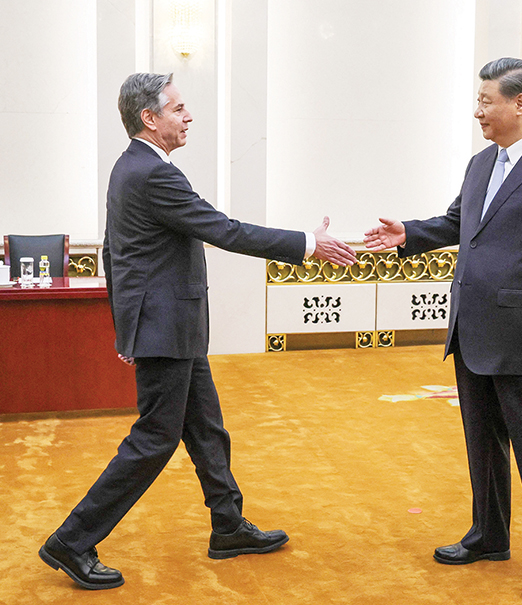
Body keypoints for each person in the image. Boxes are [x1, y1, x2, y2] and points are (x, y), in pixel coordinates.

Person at [39, 72, 357, 590]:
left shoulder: (132, 167)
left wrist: (126, 327)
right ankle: (72, 540)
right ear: (149, 118)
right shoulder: (152, 174)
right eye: (178, 108)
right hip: (166, 329)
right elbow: (224, 230)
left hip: (172, 327)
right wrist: (307, 243)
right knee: (154, 439)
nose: (188, 117)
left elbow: (113, 253)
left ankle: (228, 526)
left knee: (207, 429)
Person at [364, 58, 522, 600]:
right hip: (472, 331)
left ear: (520, 103)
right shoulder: (480, 164)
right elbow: (458, 222)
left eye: (486, 101)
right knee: (484, 444)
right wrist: (408, 234)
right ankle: (489, 535)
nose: (478, 111)